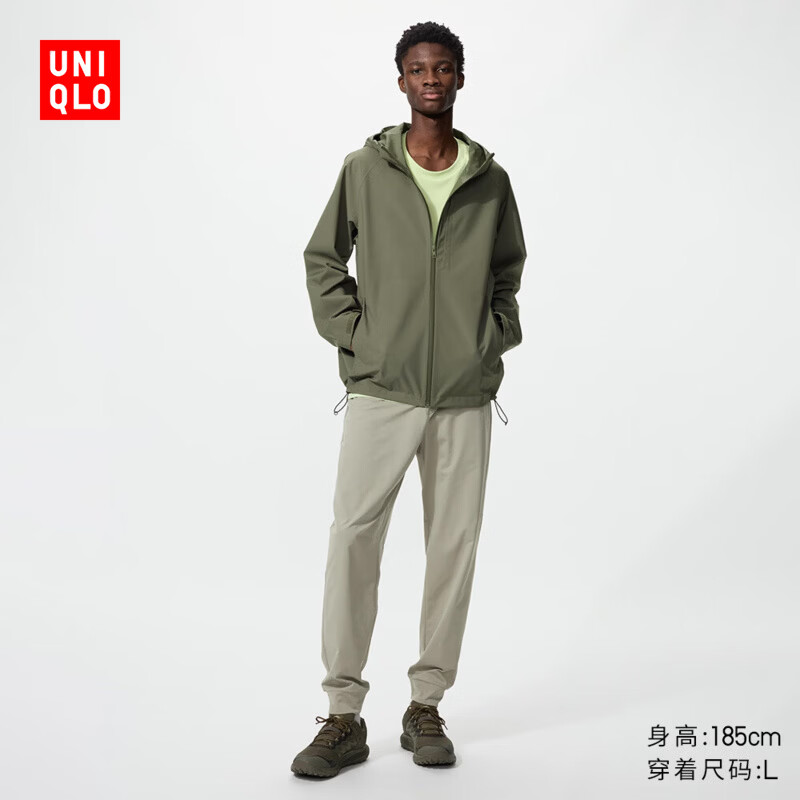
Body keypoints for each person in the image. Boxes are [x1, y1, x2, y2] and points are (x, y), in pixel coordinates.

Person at [291, 20, 527, 778]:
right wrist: (359, 341)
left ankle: (426, 704)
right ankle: (342, 714)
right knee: (353, 537)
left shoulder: (489, 180)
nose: (431, 79)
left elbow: (508, 271)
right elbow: (324, 258)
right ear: (401, 80)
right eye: (419, 69)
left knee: (453, 546)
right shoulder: (366, 168)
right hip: (383, 389)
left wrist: (490, 336)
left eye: (443, 68)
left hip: (462, 393)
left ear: (459, 78)